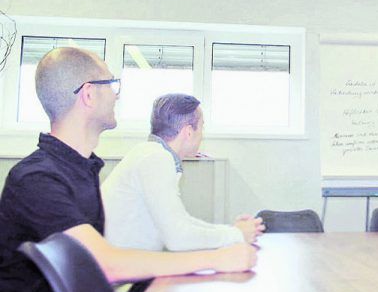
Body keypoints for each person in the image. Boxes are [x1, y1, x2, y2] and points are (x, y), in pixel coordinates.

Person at [0, 48, 257, 292]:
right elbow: (104, 266)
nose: (117, 94)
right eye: (112, 84)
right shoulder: (37, 178)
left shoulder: (80, 169)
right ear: (89, 94)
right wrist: (218, 258)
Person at [103, 93, 264, 251]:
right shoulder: (156, 159)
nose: (202, 135)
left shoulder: (149, 153)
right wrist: (236, 235)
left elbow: (181, 222)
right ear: (188, 132)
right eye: (202, 127)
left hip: (132, 261)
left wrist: (232, 231)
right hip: (127, 266)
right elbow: (178, 238)